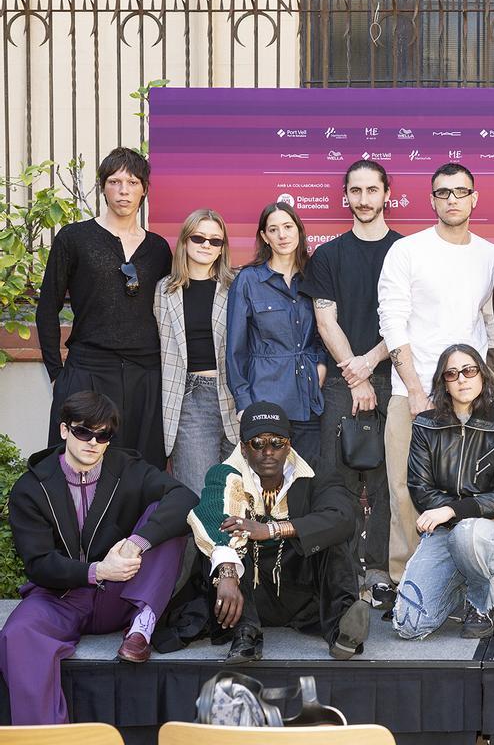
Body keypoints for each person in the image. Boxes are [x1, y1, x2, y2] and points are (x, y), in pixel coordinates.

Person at [0, 391, 194, 724]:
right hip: (61, 597)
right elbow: (39, 564)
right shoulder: (32, 487)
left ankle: (142, 625)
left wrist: (137, 542)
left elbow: (184, 497)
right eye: (83, 431)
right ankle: (45, 738)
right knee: (16, 635)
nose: (93, 441)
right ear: (64, 431)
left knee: (165, 519)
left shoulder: (127, 468)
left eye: (103, 435)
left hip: (123, 595)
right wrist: (97, 570)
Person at [377, 162, 494, 586]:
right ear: (431, 200)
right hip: (410, 394)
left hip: (469, 398)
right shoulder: (407, 251)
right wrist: (415, 390)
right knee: (405, 494)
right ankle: (408, 585)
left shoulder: (490, 255)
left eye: (460, 191)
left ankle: (464, 585)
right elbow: (392, 322)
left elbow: (492, 323)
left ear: (474, 198)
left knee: (467, 491)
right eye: (443, 193)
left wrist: (489, 382)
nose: (452, 199)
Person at [185, 401, 371, 663]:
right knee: (230, 539)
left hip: (301, 593)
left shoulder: (316, 471)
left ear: (289, 444)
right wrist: (226, 571)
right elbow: (213, 515)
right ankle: (245, 635)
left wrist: (271, 529)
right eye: (257, 444)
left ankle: (342, 632)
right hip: (245, 595)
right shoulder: (225, 473)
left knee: (331, 538)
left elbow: (342, 517)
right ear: (243, 448)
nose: (268, 451)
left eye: (277, 442)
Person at [301, 160, 403, 597]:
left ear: (386, 195)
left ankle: (379, 572)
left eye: (371, 190)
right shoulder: (328, 255)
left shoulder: (406, 251)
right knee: (336, 479)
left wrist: (371, 363)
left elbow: (406, 320)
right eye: (355, 191)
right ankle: (343, 572)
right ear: (346, 196)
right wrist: (356, 374)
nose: (363, 199)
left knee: (386, 482)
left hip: (396, 376)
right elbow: (326, 321)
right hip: (344, 383)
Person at [36, 147, 172, 468]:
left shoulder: (158, 249)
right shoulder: (75, 238)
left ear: (144, 189)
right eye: (114, 181)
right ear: (103, 186)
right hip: (89, 368)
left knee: (140, 469)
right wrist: (57, 372)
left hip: (145, 373)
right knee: (78, 468)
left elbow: (170, 313)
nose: (123, 191)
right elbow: (47, 308)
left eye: (133, 182)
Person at [393, 345, 494, 639]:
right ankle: (457, 589)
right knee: (408, 625)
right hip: (446, 533)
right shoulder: (426, 426)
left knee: (469, 534)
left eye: (469, 370)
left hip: (492, 537)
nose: (462, 379)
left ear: (481, 374)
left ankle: (481, 602)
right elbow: (420, 489)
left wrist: (454, 511)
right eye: (452, 374)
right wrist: (472, 511)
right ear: (443, 382)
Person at [226, 201, 326, 465]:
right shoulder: (248, 280)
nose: (282, 235)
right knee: (267, 484)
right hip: (265, 398)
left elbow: (325, 329)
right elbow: (235, 348)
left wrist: (322, 363)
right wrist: (244, 402)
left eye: (287, 227)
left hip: (308, 397)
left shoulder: (314, 275)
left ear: (298, 230)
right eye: (273, 229)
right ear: (264, 237)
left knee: (307, 478)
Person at [154, 208, 239, 496]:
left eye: (215, 241)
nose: (206, 245)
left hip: (235, 396)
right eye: (199, 237)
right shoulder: (164, 291)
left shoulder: (237, 286)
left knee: (237, 497)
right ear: (185, 241)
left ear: (223, 247)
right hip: (190, 399)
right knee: (200, 497)